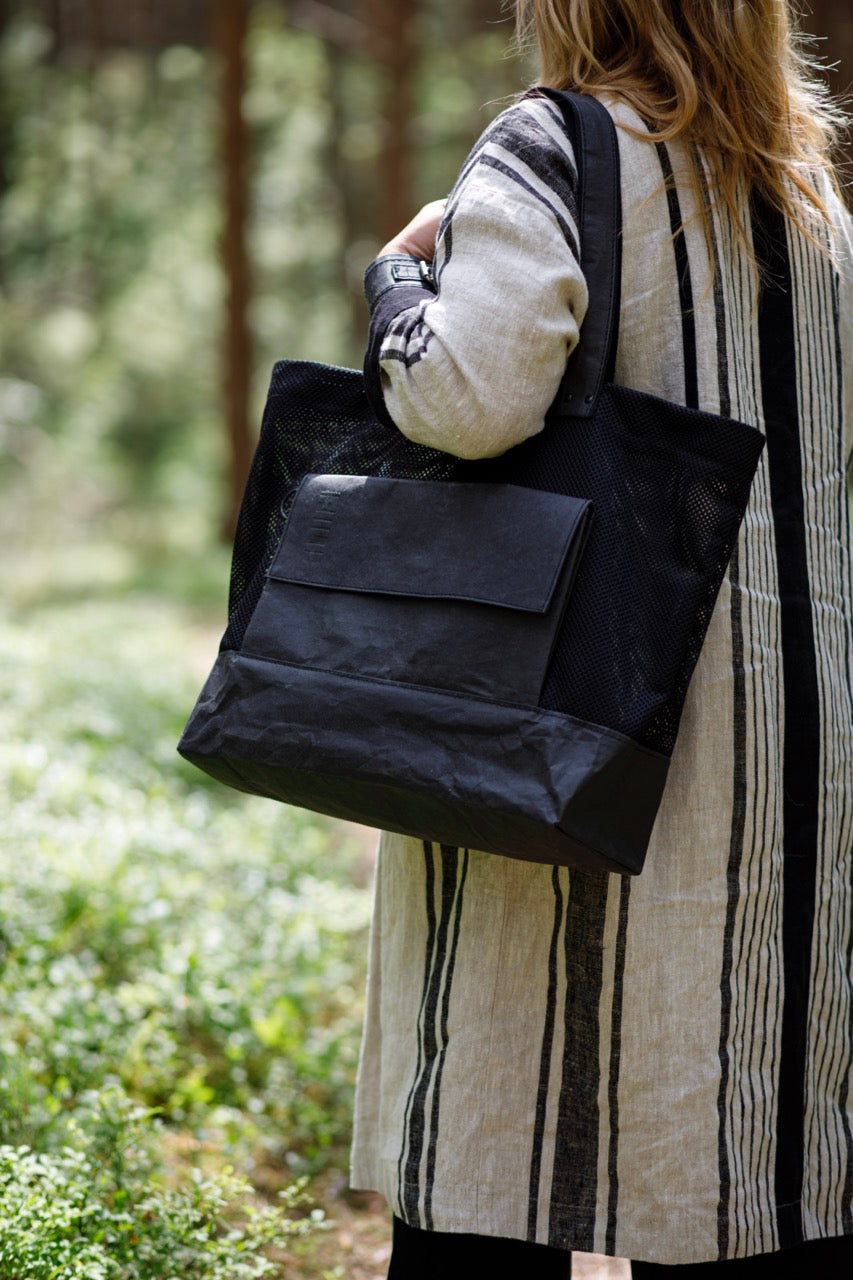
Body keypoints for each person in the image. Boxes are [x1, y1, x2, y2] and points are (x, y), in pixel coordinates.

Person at [349, 1, 853, 1275]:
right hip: (781, 751)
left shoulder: (555, 144)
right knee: (741, 1143)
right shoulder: (812, 205)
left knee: (501, 1148)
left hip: (556, 738)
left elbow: (467, 395)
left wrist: (398, 276)